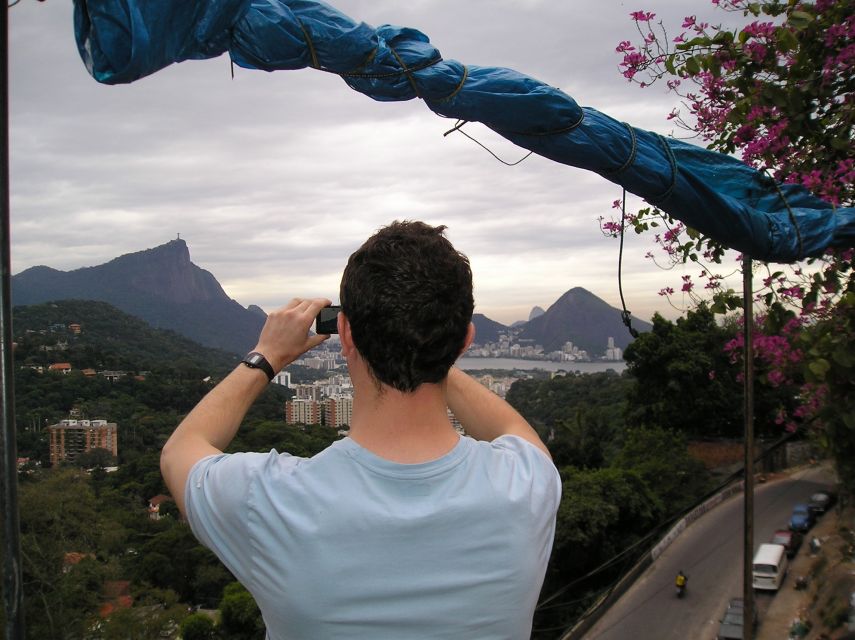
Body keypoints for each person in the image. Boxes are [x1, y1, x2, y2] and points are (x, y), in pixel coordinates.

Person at [160, 221, 562, 639]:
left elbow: (180, 451)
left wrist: (268, 354)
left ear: (345, 332)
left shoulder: (271, 501)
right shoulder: (528, 485)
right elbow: (512, 428)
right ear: (466, 340)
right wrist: (429, 347)